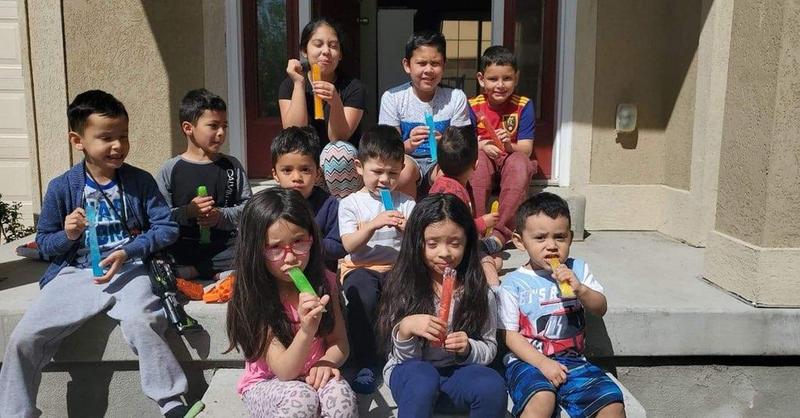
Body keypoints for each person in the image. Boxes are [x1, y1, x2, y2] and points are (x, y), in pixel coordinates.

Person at [0, 90, 194, 417]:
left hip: (130, 271)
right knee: (24, 337)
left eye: (123, 136)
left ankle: (172, 403)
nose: (118, 145)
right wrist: (68, 234)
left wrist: (129, 251)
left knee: (142, 320)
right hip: (75, 275)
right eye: (106, 137)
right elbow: (44, 243)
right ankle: (16, 412)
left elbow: (167, 228)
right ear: (78, 140)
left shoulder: (139, 182)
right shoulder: (62, 187)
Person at [226, 188, 357, 418]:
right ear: (255, 250)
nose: (290, 257)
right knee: (301, 399)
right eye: (275, 247)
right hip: (269, 381)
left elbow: (339, 343)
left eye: (299, 242)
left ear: (312, 239)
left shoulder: (325, 280)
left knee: (341, 397)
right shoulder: (256, 295)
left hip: (313, 371)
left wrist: (326, 362)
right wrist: (307, 329)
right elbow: (285, 371)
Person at [377, 193, 508, 418]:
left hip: (456, 376)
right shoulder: (404, 286)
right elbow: (400, 359)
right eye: (432, 244)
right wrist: (406, 328)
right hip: (411, 377)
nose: (445, 253)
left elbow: (489, 347)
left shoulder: (478, 291)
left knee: (493, 386)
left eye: (455, 243)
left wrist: (468, 348)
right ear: (416, 243)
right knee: (422, 378)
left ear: (468, 244)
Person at [496, 193, 625, 418]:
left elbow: (600, 307)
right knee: (542, 399)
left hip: (573, 361)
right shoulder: (513, 283)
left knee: (612, 404)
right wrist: (543, 363)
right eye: (540, 238)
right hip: (528, 362)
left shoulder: (579, 269)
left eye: (560, 237)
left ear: (570, 238)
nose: (552, 246)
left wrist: (581, 289)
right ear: (519, 241)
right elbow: (509, 334)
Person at [337, 125, 416, 394]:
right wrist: (372, 224)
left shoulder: (407, 203)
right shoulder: (350, 203)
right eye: (377, 172)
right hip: (361, 266)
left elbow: (419, 246)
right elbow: (349, 244)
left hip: (396, 267)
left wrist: (410, 231)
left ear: (402, 169)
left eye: (393, 173)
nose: (385, 179)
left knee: (407, 298)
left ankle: (400, 355)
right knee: (363, 298)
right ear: (359, 167)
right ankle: (367, 361)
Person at [157, 88, 252, 281]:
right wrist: (188, 212)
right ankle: (214, 271)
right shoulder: (170, 169)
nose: (221, 133)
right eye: (213, 126)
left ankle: (196, 271)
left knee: (253, 247)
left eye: (224, 126)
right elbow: (160, 217)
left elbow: (249, 209)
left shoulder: (231, 166)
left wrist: (220, 216)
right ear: (188, 128)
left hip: (224, 245)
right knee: (159, 252)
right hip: (184, 244)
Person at [379, 30, 471, 198]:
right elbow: (387, 149)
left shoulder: (456, 97)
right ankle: (405, 219)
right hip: (407, 158)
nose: (428, 70)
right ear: (407, 65)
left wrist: (445, 144)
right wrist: (408, 145)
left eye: (435, 63)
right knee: (403, 172)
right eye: (421, 63)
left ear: (444, 65)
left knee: (447, 177)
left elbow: (463, 146)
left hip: (443, 161)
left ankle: (441, 220)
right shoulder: (392, 98)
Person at [279, 17, 365, 198]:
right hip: (307, 165)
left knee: (338, 151)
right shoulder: (290, 84)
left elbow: (339, 137)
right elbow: (293, 132)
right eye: (318, 44)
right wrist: (299, 85)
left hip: (342, 171)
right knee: (293, 153)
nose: (326, 51)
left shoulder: (353, 87)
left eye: (333, 46)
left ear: (340, 54)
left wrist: (335, 101)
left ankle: (342, 213)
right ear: (304, 50)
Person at [468, 45, 538, 248]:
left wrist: (508, 144)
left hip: (511, 156)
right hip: (485, 157)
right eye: (493, 79)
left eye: (507, 78)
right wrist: (481, 145)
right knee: (477, 163)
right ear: (481, 79)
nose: (500, 85)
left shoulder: (523, 105)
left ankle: (500, 234)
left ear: (516, 78)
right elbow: (467, 144)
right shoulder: (473, 105)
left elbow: (526, 149)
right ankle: (477, 228)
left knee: (520, 164)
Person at [429, 126, 504, 286]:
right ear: (476, 164)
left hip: (443, 247)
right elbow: (452, 228)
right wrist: (484, 222)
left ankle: (482, 246)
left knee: (494, 258)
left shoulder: (446, 184)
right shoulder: (452, 192)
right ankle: (496, 296)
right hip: (450, 250)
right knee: (492, 263)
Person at [271, 126, 346, 272]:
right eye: (287, 170)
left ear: (318, 174)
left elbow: (339, 246)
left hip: (318, 275)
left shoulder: (329, 205)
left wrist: (305, 245)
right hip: (279, 276)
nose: (297, 178)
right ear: (275, 174)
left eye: (305, 170)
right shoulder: (270, 205)